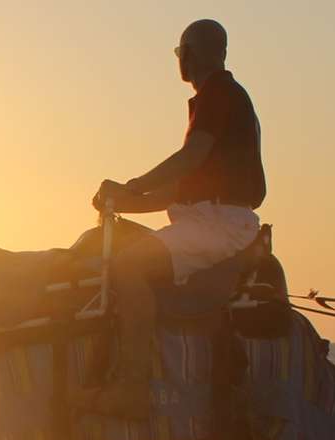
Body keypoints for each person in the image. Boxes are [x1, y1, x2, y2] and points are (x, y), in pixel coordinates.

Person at [83, 18, 265, 418]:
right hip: (207, 218)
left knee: (127, 268)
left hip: (218, 224)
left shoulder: (219, 93)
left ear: (192, 54)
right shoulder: (220, 100)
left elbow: (189, 160)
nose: (179, 59)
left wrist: (129, 186)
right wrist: (120, 205)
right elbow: (180, 189)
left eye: (180, 51)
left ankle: (133, 387)